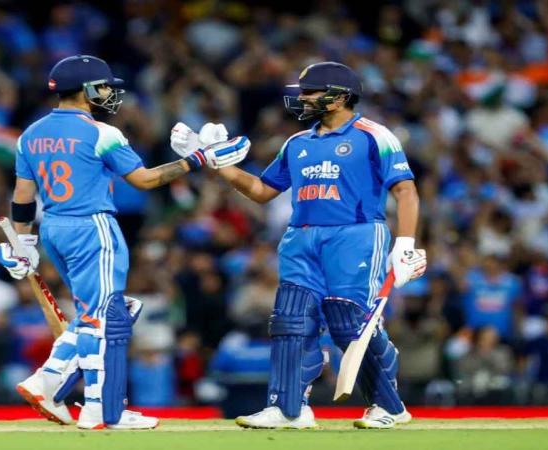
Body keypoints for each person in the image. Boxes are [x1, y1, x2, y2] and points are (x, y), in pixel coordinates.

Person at [0, 55, 250, 430]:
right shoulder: (102, 133)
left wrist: (23, 241)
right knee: (101, 318)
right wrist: (198, 160)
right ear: (84, 89)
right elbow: (145, 180)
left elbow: (22, 195)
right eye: (103, 86)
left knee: (98, 311)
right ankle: (98, 409)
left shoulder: (30, 134)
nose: (109, 93)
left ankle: (47, 381)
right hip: (92, 226)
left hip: (53, 228)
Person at [171, 62, 427, 429]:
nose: (302, 98)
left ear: (339, 98)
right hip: (300, 236)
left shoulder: (374, 135)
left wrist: (404, 243)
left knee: (349, 322)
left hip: (355, 235)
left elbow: (405, 190)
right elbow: (262, 190)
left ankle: (389, 406)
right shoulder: (297, 142)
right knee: (291, 320)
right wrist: (217, 164)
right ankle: (288, 409)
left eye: (310, 92)